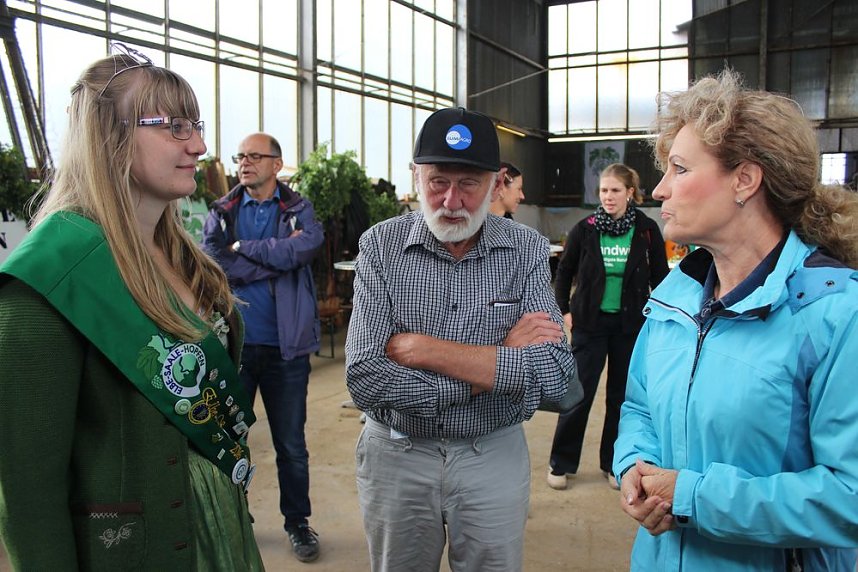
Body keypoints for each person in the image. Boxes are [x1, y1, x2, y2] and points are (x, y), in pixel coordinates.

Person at [0, 44, 263, 570]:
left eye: (196, 126)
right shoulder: (47, 280)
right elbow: (29, 494)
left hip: (220, 526)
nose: (199, 145)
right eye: (175, 127)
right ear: (110, 135)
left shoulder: (184, 256)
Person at [613, 69, 858, 571]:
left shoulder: (835, 314)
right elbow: (638, 406)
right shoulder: (673, 300)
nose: (659, 190)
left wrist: (694, 497)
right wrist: (635, 465)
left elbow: (849, 497)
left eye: (680, 169)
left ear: (745, 180)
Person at [344, 107, 575, 572]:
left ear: (496, 183)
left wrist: (423, 350)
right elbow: (366, 378)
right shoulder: (380, 246)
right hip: (397, 455)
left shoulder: (525, 249)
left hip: (490, 453)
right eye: (437, 182)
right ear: (415, 176)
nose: (451, 201)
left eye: (469, 184)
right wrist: (498, 360)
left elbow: (555, 372)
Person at [201, 132, 325, 563]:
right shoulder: (222, 210)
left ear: (276, 164)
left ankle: (298, 522)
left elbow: (302, 251)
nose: (244, 163)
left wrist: (246, 249)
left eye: (255, 156)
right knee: (227, 440)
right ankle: (232, 518)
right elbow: (214, 261)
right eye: (240, 156)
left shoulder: (298, 209)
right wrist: (271, 262)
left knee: (290, 445)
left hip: (286, 350)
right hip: (234, 348)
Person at [548, 163, 669, 491]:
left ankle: (613, 463)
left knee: (621, 398)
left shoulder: (646, 230)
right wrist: (564, 310)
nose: (608, 196)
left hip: (630, 325)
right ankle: (561, 462)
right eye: (603, 190)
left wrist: (661, 318)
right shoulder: (585, 229)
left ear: (630, 192)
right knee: (578, 394)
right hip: (589, 324)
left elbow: (661, 276)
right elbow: (564, 271)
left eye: (615, 190)